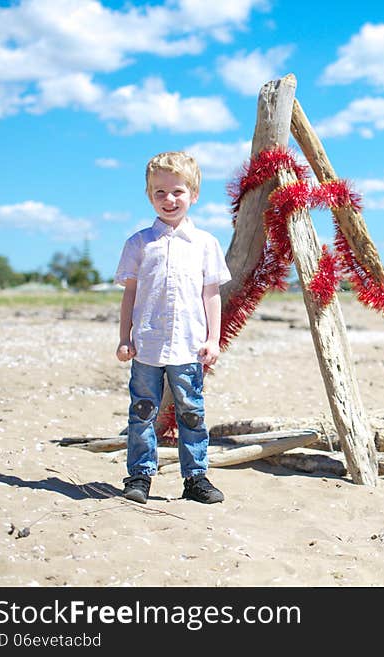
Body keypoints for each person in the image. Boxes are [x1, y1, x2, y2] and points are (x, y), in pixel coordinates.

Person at [114, 151, 231, 504]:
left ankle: (196, 478)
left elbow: (211, 295)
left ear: (193, 194)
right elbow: (129, 296)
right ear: (149, 195)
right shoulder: (139, 243)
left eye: (177, 191)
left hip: (189, 345)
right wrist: (123, 338)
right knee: (143, 410)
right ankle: (139, 476)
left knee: (191, 411)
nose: (169, 199)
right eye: (159, 192)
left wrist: (213, 338)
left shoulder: (205, 244)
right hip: (147, 346)